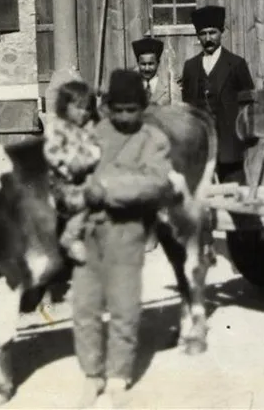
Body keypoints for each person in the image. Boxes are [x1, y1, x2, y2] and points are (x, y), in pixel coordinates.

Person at [72, 69, 182, 408]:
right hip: (89, 230)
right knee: (85, 306)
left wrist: (106, 188)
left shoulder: (154, 140)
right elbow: (75, 172)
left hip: (126, 230)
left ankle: (118, 378)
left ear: (143, 107)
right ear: (107, 107)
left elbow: (154, 183)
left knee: (124, 306)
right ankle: (92, 374)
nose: (123, 117)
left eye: (131, 110)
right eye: (117, 110)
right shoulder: (94, 134)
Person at [180, 5, 255, 184]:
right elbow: (187, 109)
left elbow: (249, 105)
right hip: (202, 149)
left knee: (233, 193)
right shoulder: (190, 67)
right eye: (203, 34)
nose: (208, 39)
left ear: (222, 32)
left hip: (230, 149)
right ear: (198, 36)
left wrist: (245, 142)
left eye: (212, 33)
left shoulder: (236, 64)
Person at [42, 80, 101, 264]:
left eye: (87, 109)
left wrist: (90, 159)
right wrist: (68, 163)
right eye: (78, 108)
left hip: (83, 178)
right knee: (91, 196)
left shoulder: (89, 129)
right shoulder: (56, 127)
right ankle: (70, 238)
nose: (83, 113)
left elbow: (96, 150)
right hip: (60, 183)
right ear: (65, 105)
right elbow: (51, 152)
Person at [132, 35, 170, 106]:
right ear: (138, 63)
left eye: (151, 64)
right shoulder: (130, 86)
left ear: (158, 63)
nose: (147, 69)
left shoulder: (169, 86)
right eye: (143, 64)